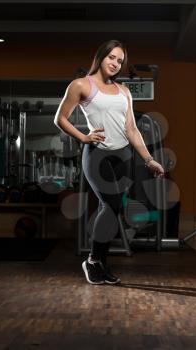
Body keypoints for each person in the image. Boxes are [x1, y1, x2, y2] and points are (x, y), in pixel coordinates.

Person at [54, 39, 164, 285]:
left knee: (114, 209)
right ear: (101, 56)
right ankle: (93, 261)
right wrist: (84, 137)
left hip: (123, 155)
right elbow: (60, 118)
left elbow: (132, 129)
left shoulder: (123, 91)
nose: (115, 63)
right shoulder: (82, 84)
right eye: (112, 57)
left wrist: (149, 160)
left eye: (120, 61)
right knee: (111, 204)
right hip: (98, 155)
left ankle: (99, 264)